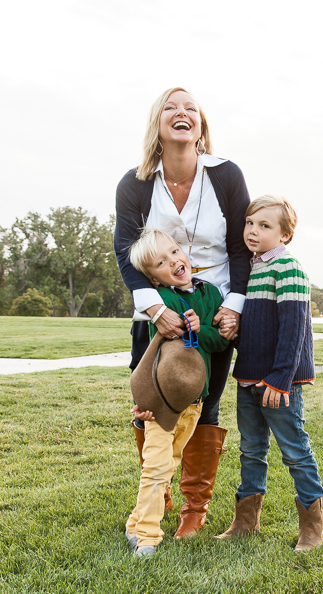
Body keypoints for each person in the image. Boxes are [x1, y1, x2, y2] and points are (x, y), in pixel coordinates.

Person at [114, 87, 251, 539]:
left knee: (203, 401)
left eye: (191, 108)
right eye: (171, 107)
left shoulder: (227, 175)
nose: (182, 113)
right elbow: (123, 250)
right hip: (156, 304)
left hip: (212, 305)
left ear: (201, 126)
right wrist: (154, 308)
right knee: (151, 402)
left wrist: (233, 307)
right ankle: (159, 494)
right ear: (158, 123)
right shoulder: (133, 184)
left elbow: (239, 248)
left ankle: (194, 509)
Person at [215, 195, 323, 552]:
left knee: (295, 451)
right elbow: (257, 324)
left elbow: (294, 332)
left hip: (277, 383)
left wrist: (280, 379)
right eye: (250, 223)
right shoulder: (251, 269)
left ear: (285, 235)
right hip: (247, 378)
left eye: (264, 226)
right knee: (251, 450)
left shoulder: (288, 269)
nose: (253, 231)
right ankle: (245, 521)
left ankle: (312, 528)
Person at [123, 227, 230, 557]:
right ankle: (147, 536)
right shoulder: (161, 303)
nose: (173, 261)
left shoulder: (210, 294)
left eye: (173, 252)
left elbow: (221, 341)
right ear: (153, 279)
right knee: (156, 466)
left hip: (194, 402)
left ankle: (134, 522)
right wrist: (143, 400)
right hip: (162, 402)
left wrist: (204, 329)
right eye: (160, 262)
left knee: (169, 463)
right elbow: (146, 356)